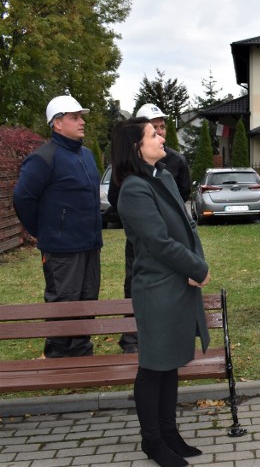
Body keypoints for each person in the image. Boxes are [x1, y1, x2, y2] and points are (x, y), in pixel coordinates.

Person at [110, 117, 210, 466]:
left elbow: (187, 228)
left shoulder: (161, 176)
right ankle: (152, 442)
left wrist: (195, 263)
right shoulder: (135, 188)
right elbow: (158, 242)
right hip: (157, 289)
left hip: (178, 284)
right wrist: (196, 268)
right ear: (136, 148)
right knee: (154, 367)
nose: (160, 137)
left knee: (170, 365)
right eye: (153, 134)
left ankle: (169, 433)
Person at [13, 95, 102, 358]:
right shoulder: (43, 158)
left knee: (87, 299)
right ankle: (57, 354)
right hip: (61, 248)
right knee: (64, 300)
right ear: (57, 123)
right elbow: (22, 198)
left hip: (90, 244)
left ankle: (81, 350)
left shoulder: (86, 155)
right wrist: (46, 231)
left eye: (80, 116)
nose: (81, 121)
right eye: (75, 117)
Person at [108, 103, 191, 354]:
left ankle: (166, 335)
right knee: (135, 283)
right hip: (140, 240)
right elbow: (115, 196)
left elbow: (182, 194)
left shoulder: (174, 160)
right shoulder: (126, 171)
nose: (159, 134)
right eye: (152, 130)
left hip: (169, 239)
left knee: (170, 284)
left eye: (161, 128)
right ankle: (133, 339)